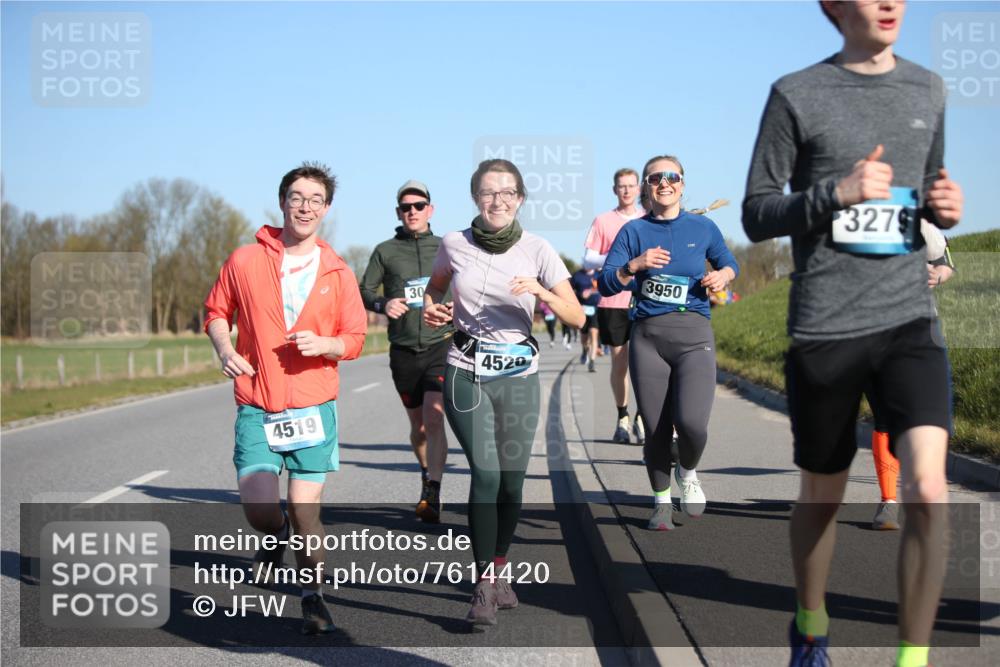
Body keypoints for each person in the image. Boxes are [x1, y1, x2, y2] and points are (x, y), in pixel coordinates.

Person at [741, 3, 964, 666]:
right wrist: (834, 193)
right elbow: (755, 212)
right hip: (826, 326)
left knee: (928, 488)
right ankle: (811, 624)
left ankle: (912, 657)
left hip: (908, 320)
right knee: (823, 494)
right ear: (835, 7)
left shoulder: (928, 88)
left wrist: (942, 207)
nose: (891, 3)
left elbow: (926, 192)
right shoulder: (795, 94)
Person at [204, 162, 368, 635]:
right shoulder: (245, 260)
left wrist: (328, 344)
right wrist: (226, 347)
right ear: (282, 202)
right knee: (260, 509)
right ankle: (273, 539)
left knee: (304, 509)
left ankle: (312, 595)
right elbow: (217, 310)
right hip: (258, 400)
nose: (305, 207)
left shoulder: (337, 271)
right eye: (297, 197)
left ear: (326, 209)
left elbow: (355, 338)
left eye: (315, 200)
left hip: (314, 404)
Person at [423, 158, 584, 629]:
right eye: (489, 192)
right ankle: (481, 586)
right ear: (476, 197)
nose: (498, 200)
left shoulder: (538, 249)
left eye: (507, 192)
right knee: (487, 474)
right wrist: (433, 309)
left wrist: (542, 291)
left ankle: (498, 567)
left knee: (513, 481)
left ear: (520, 198)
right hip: (465, 369)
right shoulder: (454, 243)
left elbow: (576, 317)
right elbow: (432, 290)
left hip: (517, 372)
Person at [599, 155, 739, 532]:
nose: (664, 182)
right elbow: (606, 282)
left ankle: (688, 470)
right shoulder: (633, 232)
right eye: (655, 177)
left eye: (671, 176)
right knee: (656, 426)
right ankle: (661, 501)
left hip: (694, 336)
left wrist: (723, 275)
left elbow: (729, 263)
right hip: (648, 337)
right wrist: (635, 265)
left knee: (693, 425)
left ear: (682, 183)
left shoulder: (703, 227)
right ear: (647, 185)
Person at [360, 180, 452, 523]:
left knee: (435, 413)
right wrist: (384, 303)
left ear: (431, 208)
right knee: (420, 428)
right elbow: (365, 289)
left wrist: (456, 307)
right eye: (405, 207)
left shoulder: (446, 247)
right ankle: (427, 471)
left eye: (418, 205)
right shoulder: (385, 250)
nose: (411, 211)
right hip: (402, 350)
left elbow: (469, 284)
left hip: (440, 343)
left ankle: (433, 490)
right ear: (398, 212)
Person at [870, 222, 957, 531]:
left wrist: (940, 274)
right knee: (883, 417)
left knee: (926, 417)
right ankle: (889, 501)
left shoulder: (920, 222)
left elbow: (945, 263)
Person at [583, 168, 646, 444]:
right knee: (620, 363)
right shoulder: (604, 221)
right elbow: (588, 260)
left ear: (639, 189)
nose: (627, 191)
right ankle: (622, 415)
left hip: (645, 299)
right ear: (614, 190)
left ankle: (643, 418)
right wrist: (620, 259)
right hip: (613, 301)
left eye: (631, 186)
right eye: (622, 186)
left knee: (645, 364)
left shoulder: (649, 218)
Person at [571, 266, 601, 371]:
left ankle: (592, 362)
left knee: (593, 333)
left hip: (596, 309)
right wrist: (580, 294)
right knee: (584, 337)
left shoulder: (599, 274)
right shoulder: (577, 275)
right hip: (582, 309)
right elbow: (570, 291)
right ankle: (584, 351)